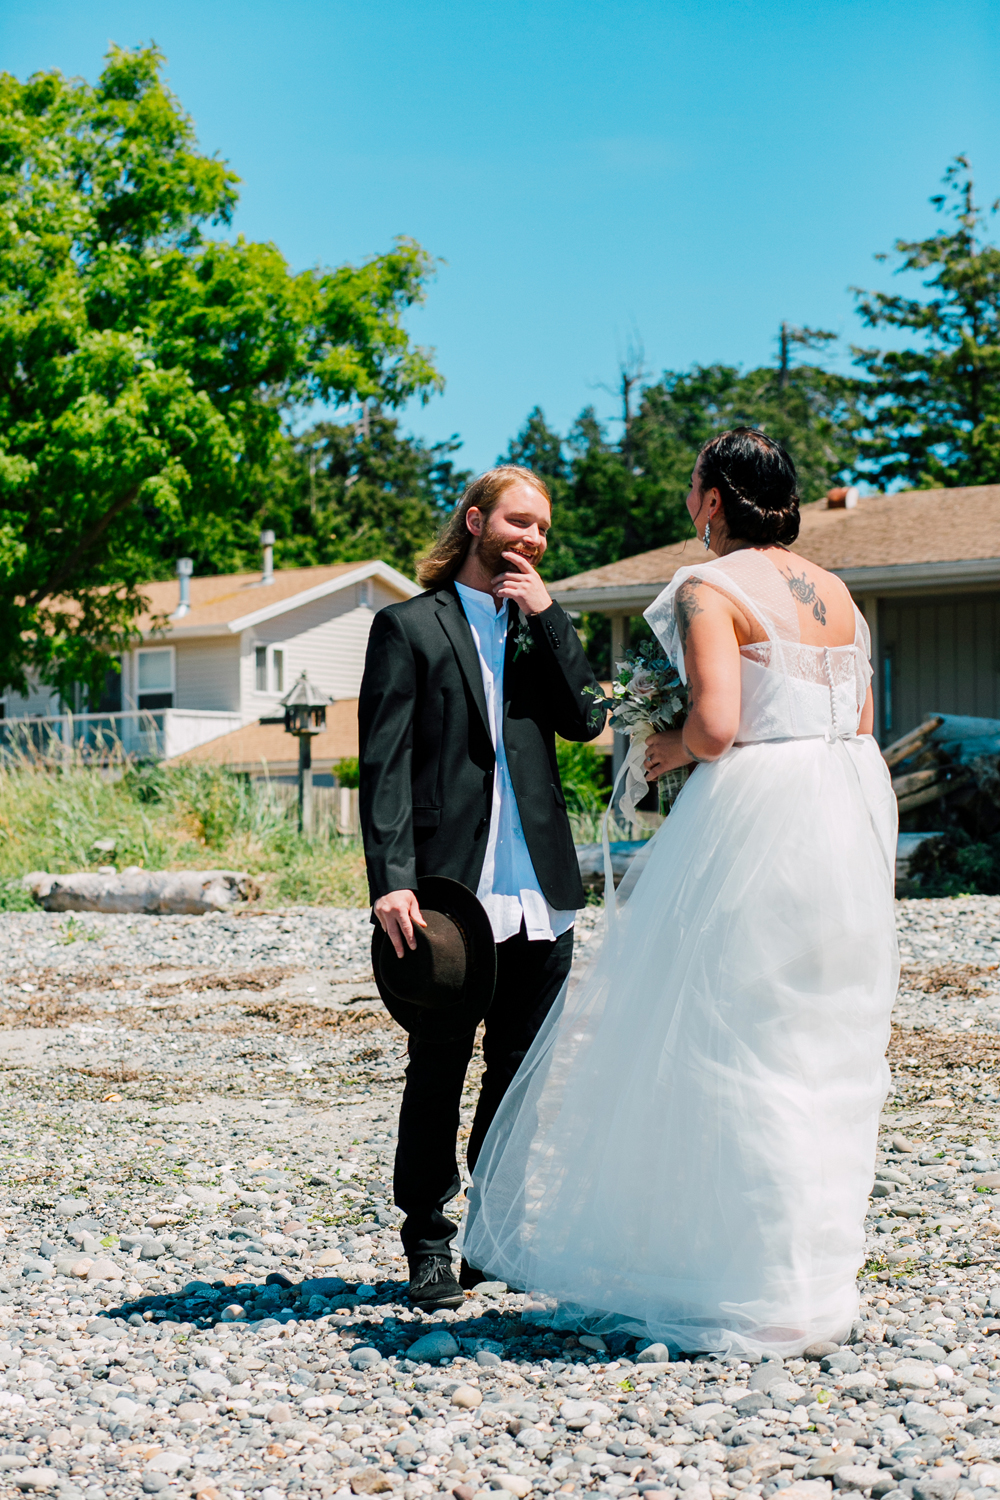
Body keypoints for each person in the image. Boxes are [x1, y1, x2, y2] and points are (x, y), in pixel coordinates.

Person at [461, 428, 899, 1356]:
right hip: (846, 816)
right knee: (826, 1045)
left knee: (731, 1040)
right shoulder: (840, 592)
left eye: (692, 491)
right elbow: (858, 721)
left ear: (712, 502)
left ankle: (748, 1285)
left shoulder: (709, 587)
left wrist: (663, 749)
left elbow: (715, 725)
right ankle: (815, 1283)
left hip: (757, 824)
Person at [358, 464, 605, 1311]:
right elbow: (383, 766)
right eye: (519, 522)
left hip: (540, 890)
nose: (533, 537)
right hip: (447, 895)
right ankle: (427, 1241)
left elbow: (589, 718)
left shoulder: (537, 626)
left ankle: (492, 1238)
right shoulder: (408, 626)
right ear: (475, 521)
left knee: (519, 1073)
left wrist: (548, 614)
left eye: (543, 527)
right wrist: (390, 881)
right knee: (438, 1065)